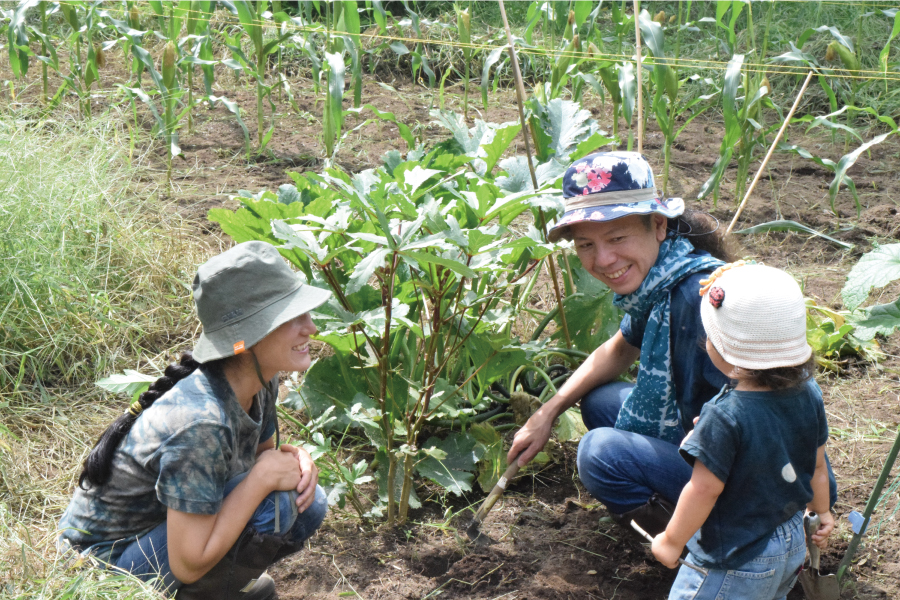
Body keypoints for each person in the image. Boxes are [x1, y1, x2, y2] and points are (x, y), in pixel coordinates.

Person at [507, 151, 836, 536]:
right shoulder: (663, 279)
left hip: (767, 480)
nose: (603, 259)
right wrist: (547, 412)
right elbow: (619, 349)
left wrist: (802, 505)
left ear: (658, 226)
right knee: (599, 402)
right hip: (723, 438)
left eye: (616, 237)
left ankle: (711, 545)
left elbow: (772, 421)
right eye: (585, 245)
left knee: (598, 453)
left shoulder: (703, 301)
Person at [59, 241, 332, 600]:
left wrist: (294, 460)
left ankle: (222, 586)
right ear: (248, 336)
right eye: (292, 316)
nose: (310, 327)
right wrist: (262, 479)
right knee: (275, 505)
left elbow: (264, 457)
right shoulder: (200, 421)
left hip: (166, 533)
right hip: (102, 573)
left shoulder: (261, 378)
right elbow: (188, 562)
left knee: (306, 502)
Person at [651, 262, 833, 600]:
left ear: (722, 350)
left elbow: (703, 490)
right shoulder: (809, 393)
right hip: (790, 539)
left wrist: (671, 541)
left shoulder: (725, 416)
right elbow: (818, 465)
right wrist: (821, 512)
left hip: (737, 555)